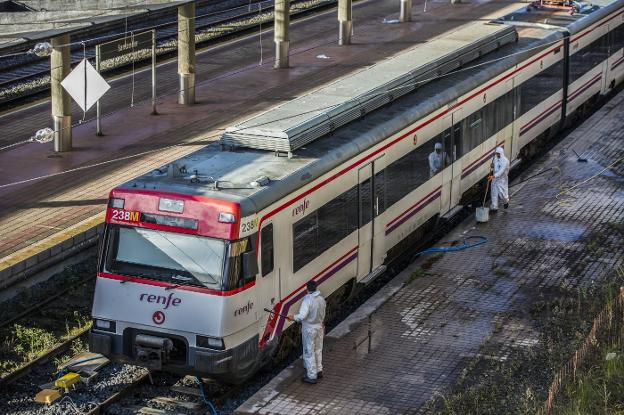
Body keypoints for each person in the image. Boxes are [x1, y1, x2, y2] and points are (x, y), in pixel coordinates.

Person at [287, 280, 326, 384]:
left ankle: (312, 376)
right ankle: (319, 370)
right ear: (316, 287)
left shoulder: (307, 300)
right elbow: (323, 314)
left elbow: (302, 316)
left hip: (309, 329)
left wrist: (293, 317)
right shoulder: (321, 299)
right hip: (319, 327)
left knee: (309, 352)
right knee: (318, 349)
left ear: (307, 288)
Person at [489, 146, 510, 212]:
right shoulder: (495, 159)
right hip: (495, 180)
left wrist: (494, 176)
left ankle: (505, 201)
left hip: (502, 180)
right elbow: (494, 168)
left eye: (498, 153)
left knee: (502, 194)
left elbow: (502, 170)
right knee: (494, 193)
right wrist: (492, 166)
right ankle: (494, 207)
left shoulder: (505, 161)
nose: (497, 155)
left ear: (501, 153)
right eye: (496, 153)